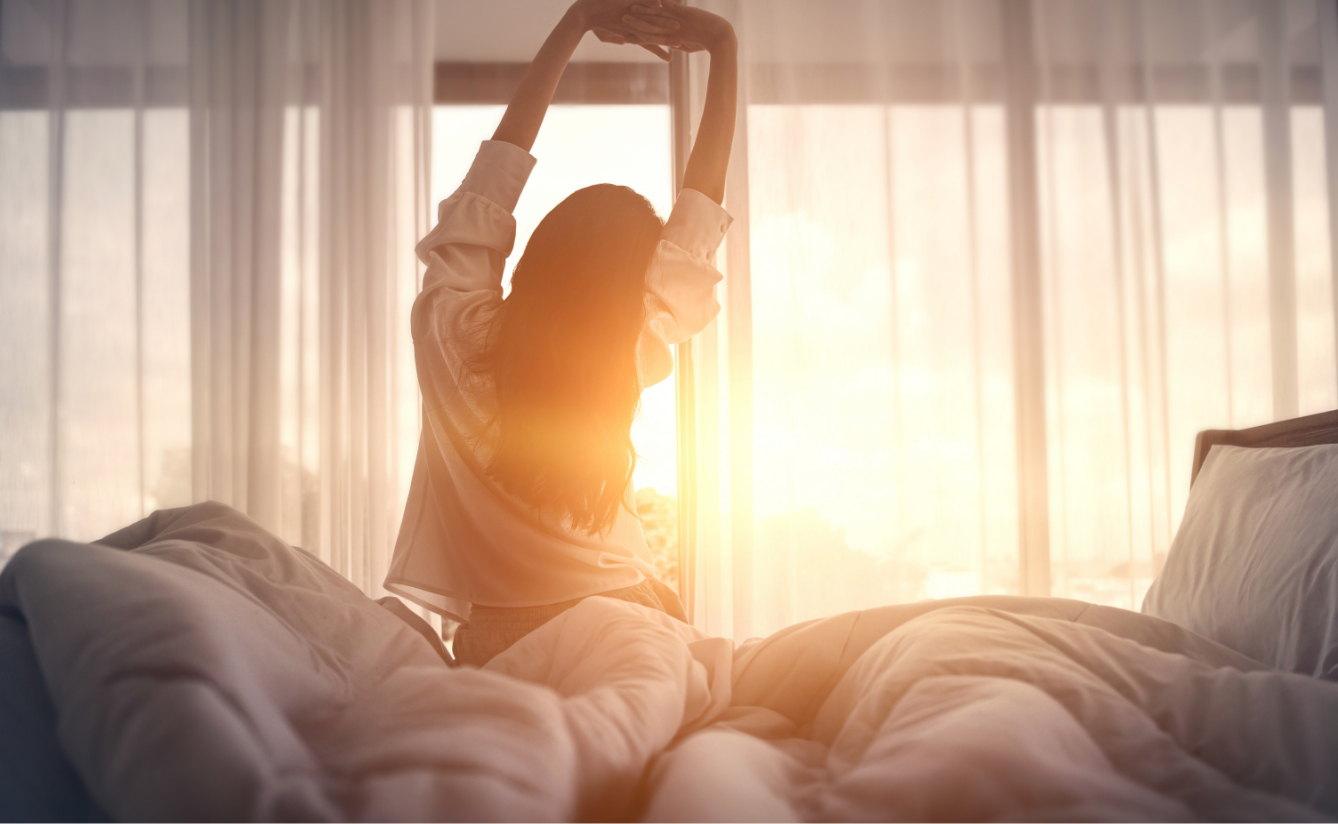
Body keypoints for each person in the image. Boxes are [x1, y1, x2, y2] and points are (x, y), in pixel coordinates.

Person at [384, 0, 738, 666]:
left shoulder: (448, 329)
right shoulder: (626, 348)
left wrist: (576, 22)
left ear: (538, 252)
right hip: (629, 616)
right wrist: (723, 47)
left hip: (498, 638)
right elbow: (700, 212)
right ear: (629, 285)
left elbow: (494, 178)